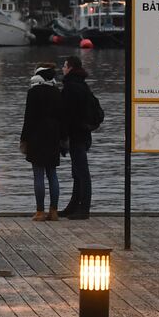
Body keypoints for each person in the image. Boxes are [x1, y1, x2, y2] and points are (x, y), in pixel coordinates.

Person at [20, 64, 63, 221]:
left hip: (36, 136)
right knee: (52, 174)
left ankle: (39, 211)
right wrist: (62, 138)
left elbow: (28, 117)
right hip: (53, 136)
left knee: (38, 174)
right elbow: (61, 118)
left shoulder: (33, 92)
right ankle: (54, 211)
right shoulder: (57, 92)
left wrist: (24, 139)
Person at [59, 54, 96, 219]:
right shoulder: (83, 85)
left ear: (71, 68)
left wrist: (62, 136)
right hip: (84, 133)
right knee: (77, 172)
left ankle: (84, 209)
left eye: (65, 66)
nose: (62, 68)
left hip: (76, 135)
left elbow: (66, 114)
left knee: (82, 172)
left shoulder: (70, 87)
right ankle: (74, 206)